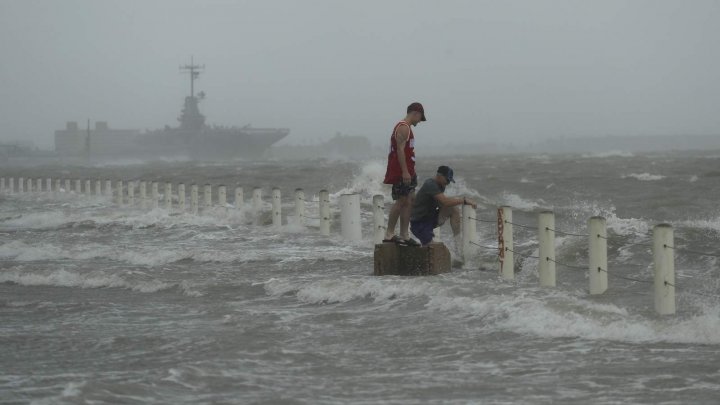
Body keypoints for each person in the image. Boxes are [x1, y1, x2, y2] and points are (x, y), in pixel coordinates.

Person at [382, 102, 426, 246]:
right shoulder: (403, 128)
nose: (420, 121)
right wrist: (405, 172)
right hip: (402, 172)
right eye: (420, 118)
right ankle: (389, 234)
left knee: (409, 200)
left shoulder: (407, 129)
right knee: (401, 201)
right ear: (415, 113)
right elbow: (400, 151)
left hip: (409, 171)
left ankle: (404, 235)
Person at [410, 165, 477, 248]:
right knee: (431, 247)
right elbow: (445, 202)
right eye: (447, 180)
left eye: (449, 181)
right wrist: (464, 200)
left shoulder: (441, 185)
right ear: (439, 176)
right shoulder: (430, 184)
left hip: (430, 219)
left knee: (453, 209)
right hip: (419, 223)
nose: (448, 183)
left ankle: (458, 243)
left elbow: (441, 204)